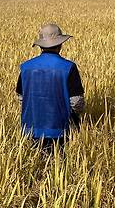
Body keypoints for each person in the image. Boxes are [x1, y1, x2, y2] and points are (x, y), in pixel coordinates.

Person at [16, 24, 85, 153]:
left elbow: (21, 98)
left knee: (36, 165)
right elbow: (77, 102)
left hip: (31, 129)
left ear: (41, 45)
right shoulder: (69, 67)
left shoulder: (25, 67)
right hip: (60, 130)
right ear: (60, 45)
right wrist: (73, 120)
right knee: (60, 164)